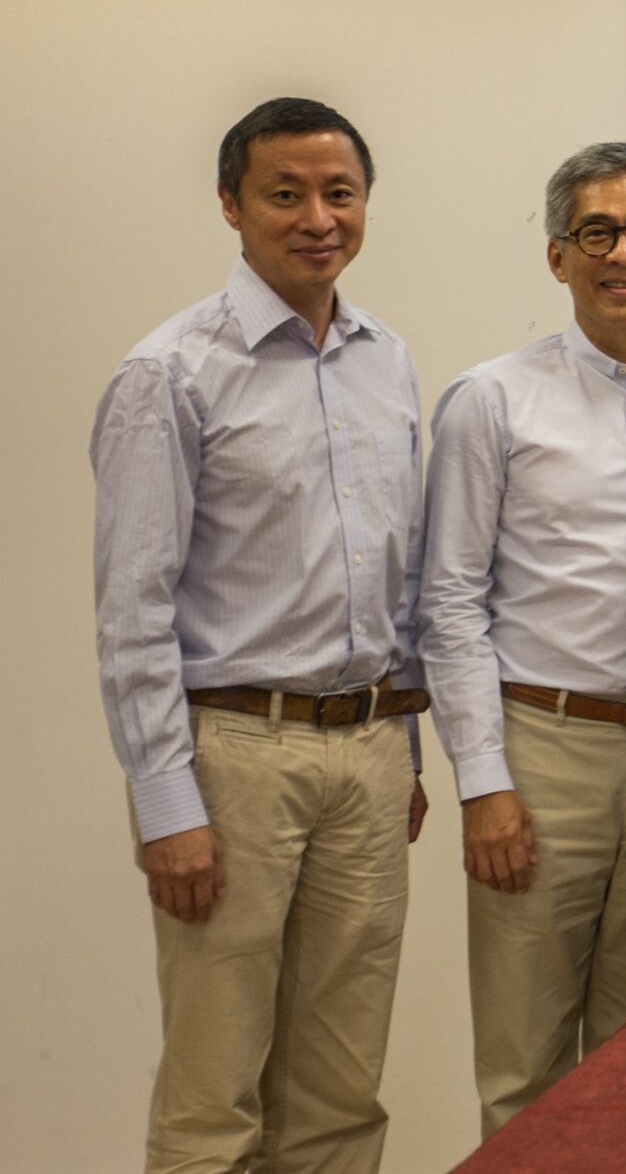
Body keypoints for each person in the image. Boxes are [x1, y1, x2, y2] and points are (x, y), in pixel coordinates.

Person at [91, 97, 430, 1174]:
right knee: (214, 1092)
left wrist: (407, 753)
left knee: (341, 1088)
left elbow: (397, 576)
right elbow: (132, 608)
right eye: (286, 194)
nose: (317, 217)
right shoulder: (171, 373)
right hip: (234, 758)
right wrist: (164, 802)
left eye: (340, 192)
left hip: (370, 755)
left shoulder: (388, 360)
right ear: (232, 204)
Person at [418, 143, 626, 1135]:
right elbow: (449, 601)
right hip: (542, 754)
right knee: (525, 1065)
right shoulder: (493, 400)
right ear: (558, 258)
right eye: (595, 233)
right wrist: (484, 782)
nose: (622, 254)